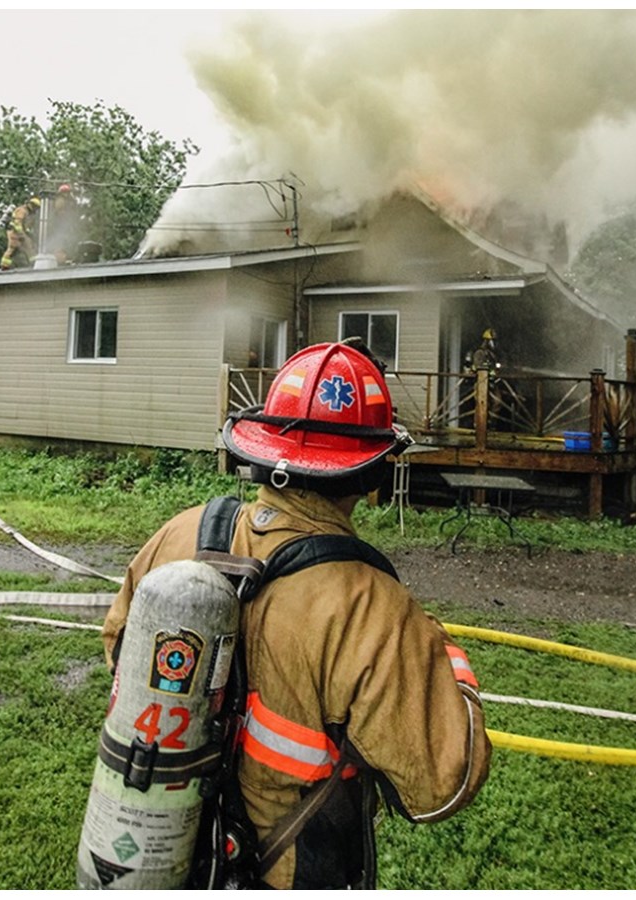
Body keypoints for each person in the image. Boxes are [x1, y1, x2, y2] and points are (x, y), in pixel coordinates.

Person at [102, 342, 491, 890]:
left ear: (264, 444)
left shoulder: (181, 532)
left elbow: (119, 647)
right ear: (372, 471)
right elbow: (440, 785)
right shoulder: (371, 606)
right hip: (291, 869)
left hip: (170, 849)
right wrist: (444, 662)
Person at [0, 197, 41, 270]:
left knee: (29, 246)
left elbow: (27, 226)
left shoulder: (30, 214)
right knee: (13, 247)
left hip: (22, 232)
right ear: (30, 204)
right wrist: (21, 234)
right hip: (14, 232)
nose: (35, 209)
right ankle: (4, 265)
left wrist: (29, 234)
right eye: (35, 207)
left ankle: (33, 263)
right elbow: (17, 223)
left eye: (37, 208)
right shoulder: (22, 210)